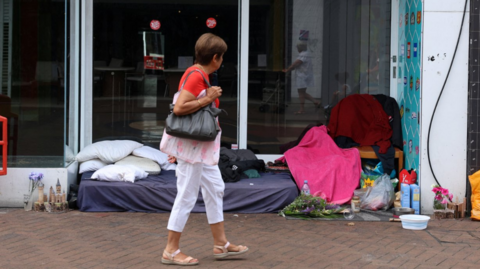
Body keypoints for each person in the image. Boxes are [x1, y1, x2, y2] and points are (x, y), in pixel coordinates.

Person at [161, 33, 249, 266]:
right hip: (194, 150)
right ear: (216, 58)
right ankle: (170, 250)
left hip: (200, 149)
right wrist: (206, 98)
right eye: (222, 57)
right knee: (187, 195)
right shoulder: (197, 76)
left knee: (215, 188)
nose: (223, 60)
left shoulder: (198, 74)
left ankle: (221, 244)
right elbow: (180, 108)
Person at [283, 41, 320, 114]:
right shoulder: (306, 54)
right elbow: (297, 65)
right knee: (302, 92)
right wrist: (291, 69)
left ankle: (302, 109)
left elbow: (296, 63)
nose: (297, 49)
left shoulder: (303, 55)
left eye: (297, 47)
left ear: (300, 48)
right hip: (305, 75)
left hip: (302, 76)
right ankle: (316, 102)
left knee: (301, 93)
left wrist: (287, 70)